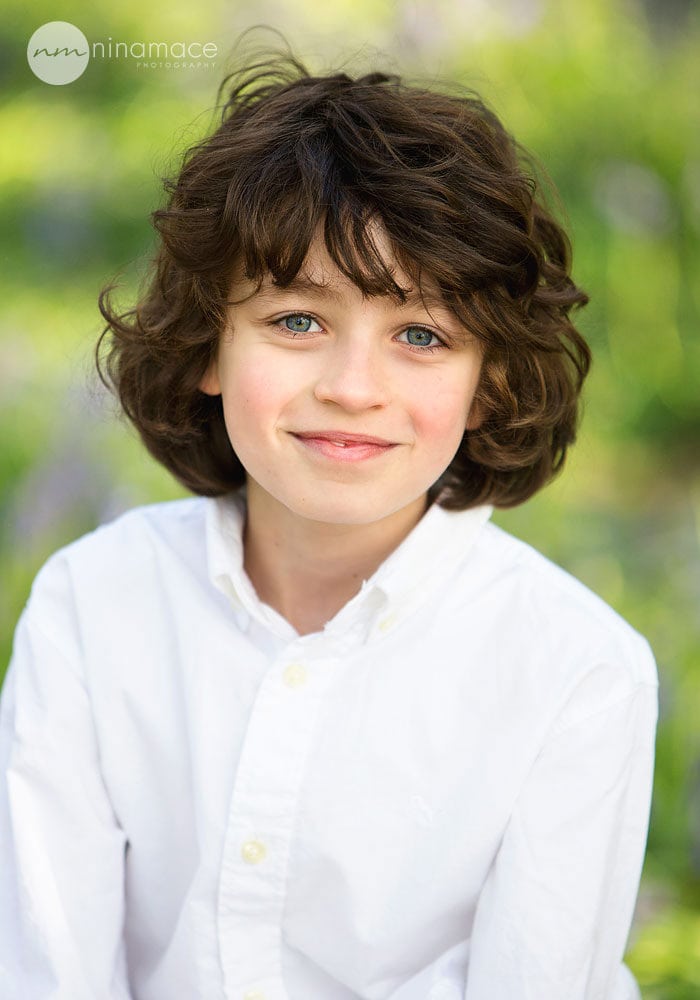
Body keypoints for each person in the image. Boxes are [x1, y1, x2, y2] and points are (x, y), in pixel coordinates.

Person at [0, 47, 658, 1000]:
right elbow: (45, 970)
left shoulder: (575, 670)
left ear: (491, 385)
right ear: (208, 345)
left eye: (422, 336)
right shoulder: (93, 606)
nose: (353, 389)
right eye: (297, 321)